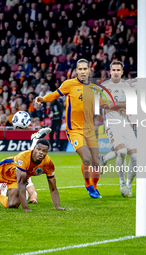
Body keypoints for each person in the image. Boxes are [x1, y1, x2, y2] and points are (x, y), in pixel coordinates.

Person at [99, 61, 146, 197]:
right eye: (113, 69)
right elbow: (106, 104)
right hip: (131, 121)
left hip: (137, 121)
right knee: (125, 152)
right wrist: (121, 106)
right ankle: (126, 183)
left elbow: (139, 103)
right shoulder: (130, 83)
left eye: (118, 70)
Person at [35, 59, 102, 199]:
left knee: (96, 161)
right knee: (87, 158)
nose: (83, 71)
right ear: (76, 71)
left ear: (89, 71)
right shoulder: (69, 84)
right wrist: (43, 99)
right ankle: (88, 185)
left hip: (89, 129)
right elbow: (54, 94)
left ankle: (94, 186)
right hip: (74, 130)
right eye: (80, 69)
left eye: (85, 69)